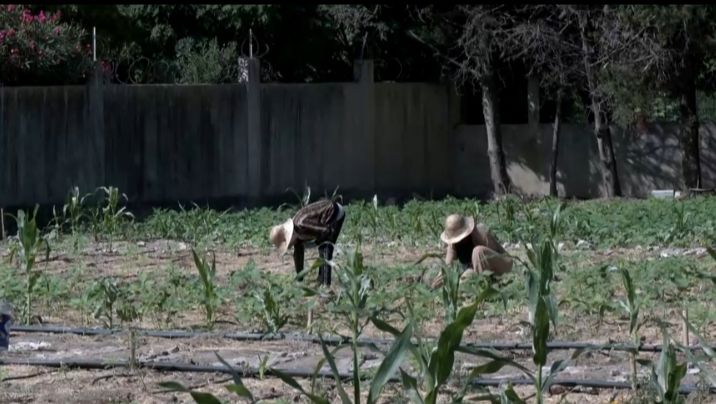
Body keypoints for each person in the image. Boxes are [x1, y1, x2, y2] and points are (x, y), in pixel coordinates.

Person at [270, 199, 345, 286]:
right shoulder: (296, 235)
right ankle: (321, 279)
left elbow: (325, 231)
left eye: (288, 244)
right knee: (322, 245)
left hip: (334, 212)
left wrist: (316, 242)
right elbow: (298, 255)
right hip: (324, 218)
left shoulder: (301, 224)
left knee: (325, 246)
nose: (289, 246)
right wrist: (300, 278)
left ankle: (325, 284)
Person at [431, 214, 512, 289]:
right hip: (477, 269)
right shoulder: (453, 244)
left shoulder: (480, 235)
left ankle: (486, 286)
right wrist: (440, 278)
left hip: (503, 266)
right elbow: (448, 265)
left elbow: (491, 259)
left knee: (478, 251)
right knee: (462, 283)